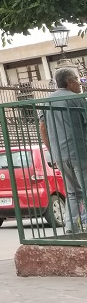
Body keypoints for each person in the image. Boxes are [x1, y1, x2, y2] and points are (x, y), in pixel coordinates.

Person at [39, 66, 87, 233]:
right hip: (79, 151)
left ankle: (71, 227)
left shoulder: (47, 100)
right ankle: (85, 224)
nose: (80, 84)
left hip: (59, 154)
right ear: (69, 81)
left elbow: (42, 128)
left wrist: (52, 151)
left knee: (73, 192)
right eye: (78, 80)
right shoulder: (78, 98)